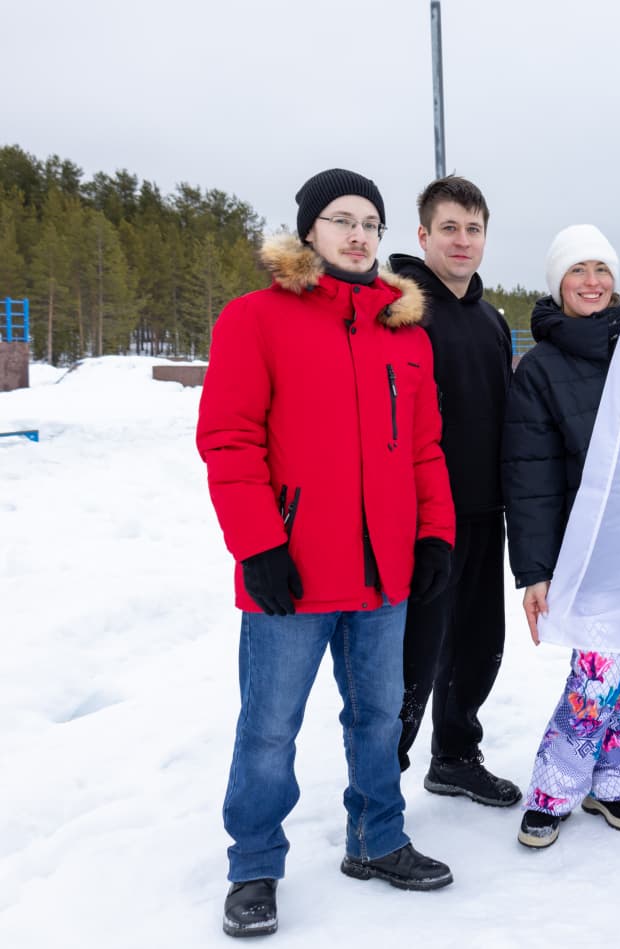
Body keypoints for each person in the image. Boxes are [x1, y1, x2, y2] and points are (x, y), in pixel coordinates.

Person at [197, 168, 457, 938]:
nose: (358, 234)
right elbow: (229, 439)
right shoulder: (255, 318)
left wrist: (434, 532)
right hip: (294, 570)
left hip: (384, 571)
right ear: (309, 229)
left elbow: (424, 447)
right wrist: (258, 542)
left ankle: (377, 837)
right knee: (270, 726)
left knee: (379, 717)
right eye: (343, 219)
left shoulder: (406, 333)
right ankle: (253, 863)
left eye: (371, 223)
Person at [504, 225, 620, 849]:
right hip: (588, 547)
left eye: (601, 269)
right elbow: (532, 477)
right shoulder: (540, 368)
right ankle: (554, 791)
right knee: (597, 674)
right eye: (578, 270)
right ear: (559, 283)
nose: (592, 282)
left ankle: (614, 783)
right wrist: (535, 572)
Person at [388, 176, 520, 807]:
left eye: (473, 229)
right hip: (422, 521)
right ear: (423, 235)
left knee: (478, 646)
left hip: (484, 512)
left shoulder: (491, 321)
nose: (462, 241)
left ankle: (456, 757)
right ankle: (379, 787)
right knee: (414, 658)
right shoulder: (402, 311)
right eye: (449, 228)